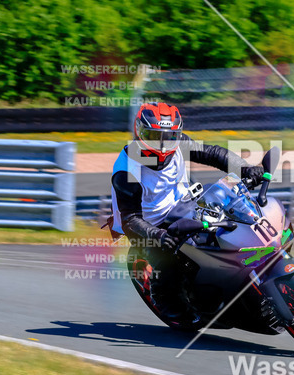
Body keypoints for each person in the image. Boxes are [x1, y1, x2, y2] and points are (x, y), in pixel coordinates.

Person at [108, 102, 265, 328]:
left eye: (169, 136)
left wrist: (245, 169)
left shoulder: (178, 143)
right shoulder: (127, 170)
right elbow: (130, 219)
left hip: (185, 202)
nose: (162, 145)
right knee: (167, 259)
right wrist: (157, 235)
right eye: (153, 136)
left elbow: (212, 154)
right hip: (150, 222)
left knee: (230, 208)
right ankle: (167, 303)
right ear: (139, 132)